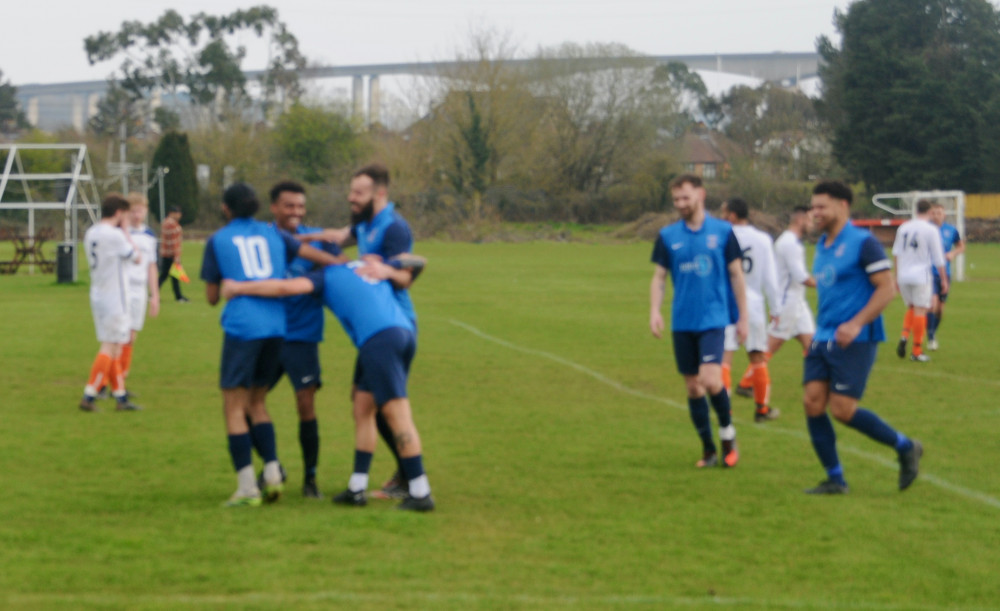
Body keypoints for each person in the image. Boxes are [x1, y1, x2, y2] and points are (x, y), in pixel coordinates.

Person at [221, 255, 435, 512]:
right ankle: (357, 489)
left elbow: (285, 288)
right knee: (362, 407)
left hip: (380, 340)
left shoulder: (326, 276)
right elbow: (419, 261)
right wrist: (389, 269)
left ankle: (421, 492)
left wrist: (238, 288)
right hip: (400, 333)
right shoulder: (360, 265)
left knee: (397, 414)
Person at [200, 183, 340, 507]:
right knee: (257, 403)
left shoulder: (218, 239)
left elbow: (210, 298)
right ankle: (274, 472)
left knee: (234, 406)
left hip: (243, 327)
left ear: (225, 209)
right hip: (278, 327)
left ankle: (247, 486)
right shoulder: (274, 235)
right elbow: (313, 255)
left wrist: (231, 283)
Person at [802, 180, 922, 494]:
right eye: (813, 207)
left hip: (856, 337)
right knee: (812, 402)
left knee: (842, 410)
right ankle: (835, 479)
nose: (815, 212)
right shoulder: (822, 245)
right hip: (823, 335)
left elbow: (887, 288)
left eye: (821, 207)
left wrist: (855, 323)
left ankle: (905, 446)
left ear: (842, 206)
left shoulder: (862, 242)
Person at [313, 163, 418, 499]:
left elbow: (408, 276)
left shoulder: (394, 228)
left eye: (358, 192)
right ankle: (362, 485)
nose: (351, 197)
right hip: (375, 327)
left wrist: (385, 269)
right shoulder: (365, 224)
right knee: (364, 403)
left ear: (380, 193)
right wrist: (290, 236)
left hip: (393, 324)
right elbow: (336, 237)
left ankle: (412, 482)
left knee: (386, 406)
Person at [650, 174, 748, 468]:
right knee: (693, 388)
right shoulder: (668, 236)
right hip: (682, 321)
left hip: (713, 319)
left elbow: (736, 275)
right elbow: (659, 277)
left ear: (701, 195)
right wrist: (655, 310)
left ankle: (728, 436)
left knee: (710, 379)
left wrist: (744, 317)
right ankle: (708, 449)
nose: (681, 204)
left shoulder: (723, 232)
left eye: (686, 198)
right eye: (676, 199)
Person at [266, 180, 346, 499]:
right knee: (246, 404)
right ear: (274, 208)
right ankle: (273, 466)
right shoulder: (263, 239)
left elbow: (342, 266)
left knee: (306, 405)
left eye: (300, 206)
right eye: (289, 206)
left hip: (303, 336)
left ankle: (310, 479)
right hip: (268, 333)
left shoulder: (320, 241)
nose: (296, 212)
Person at [735, 205, 816, 394]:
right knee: (770, 346)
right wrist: (827, 284)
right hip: (787, 302)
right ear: (800, 219)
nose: (812, 224)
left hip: (798, 302)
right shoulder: (789, 243)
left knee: (812, 344)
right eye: (810, 219)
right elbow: (801, 276)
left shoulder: (792, 241)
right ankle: (746, 384)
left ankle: (816, 383)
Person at [718, 198, 782, 423]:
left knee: (724, 359)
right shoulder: (763, 239)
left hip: (726, 304)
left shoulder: (720, 236)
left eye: (724, 211)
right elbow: (771, 278)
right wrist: (775, 308)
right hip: (753, 305)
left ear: (733, 215)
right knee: (757, 357)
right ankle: (762, 410)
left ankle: (725, 412)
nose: (721, 215)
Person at [79, 193, 144, 412]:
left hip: (98, 293)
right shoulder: (115, 236)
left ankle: (120, 397)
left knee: (115, 346)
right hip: (115, 296)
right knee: (109, 346)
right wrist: (125, 230)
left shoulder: (91, 232)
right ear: (118, 213)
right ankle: (89, 395)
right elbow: (136, 256)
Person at [892, 200, 947, 362]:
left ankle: (904, 336)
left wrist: (896, 276)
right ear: (930, 212)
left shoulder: (903, 227)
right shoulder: (931, 229)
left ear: (915, 210)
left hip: (903, 275)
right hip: (921, 275)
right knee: (921, 310)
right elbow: (938, 258)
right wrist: (944, 279)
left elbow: (896, 253)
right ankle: (916, 351)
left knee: (911, 307)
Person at [120, 193, 160, 392]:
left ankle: (120, 381)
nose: (137, 214)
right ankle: (108, 383)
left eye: (140, 210)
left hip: (140, 290)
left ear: (146, 211)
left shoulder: (149, 235)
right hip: (121, 289)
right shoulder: (121, 233)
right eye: (133, 210)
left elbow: (151, 266)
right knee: (119, 335)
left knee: (131, 336)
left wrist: (155, 295)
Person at [926, 201, 964, 350]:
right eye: (934, 213)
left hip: (945, 274)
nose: (936, 216)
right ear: (930, 214)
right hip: (928, 273)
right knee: (932, 304)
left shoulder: (951, 230)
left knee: (940, 309)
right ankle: (930, 338)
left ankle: (932, 332)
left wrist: (953, 253)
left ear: (944, 215)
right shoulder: (926, 229)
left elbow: (961, 246)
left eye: (939, 213)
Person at [158, 206, 188, 302]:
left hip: (166, 253)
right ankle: (178, 296)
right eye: (177, 213)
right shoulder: (172, 224)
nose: (179, 215)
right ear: (171, 213)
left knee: (168, 275)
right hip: (171, 255)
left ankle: (178, 296)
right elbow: (173, 241)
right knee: (169, 275)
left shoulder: (166, 222)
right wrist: (176, 256)